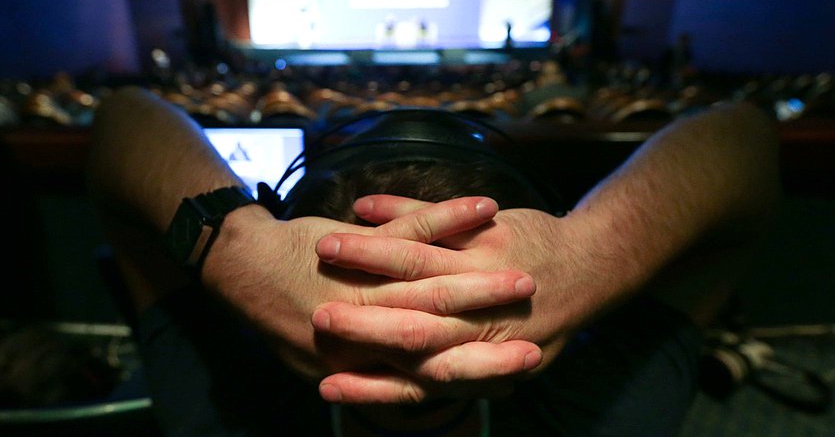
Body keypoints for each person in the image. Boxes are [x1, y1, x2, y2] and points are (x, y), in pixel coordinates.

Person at [86, 86, 780, 436]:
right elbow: (742, 136)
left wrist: (234, 246)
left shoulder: (224, 398)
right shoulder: (601, 410)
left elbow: (122, 118)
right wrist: (587, 253)